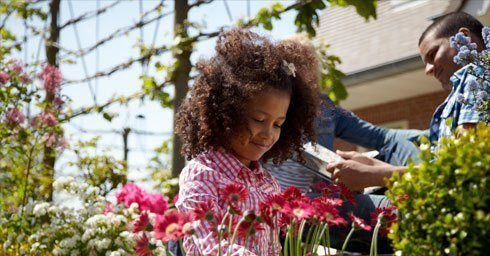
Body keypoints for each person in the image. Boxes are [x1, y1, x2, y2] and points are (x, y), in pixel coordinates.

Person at [174, 28, 321, 255]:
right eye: (259, 119)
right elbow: (210, 245)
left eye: (278, 124)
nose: (267, 133)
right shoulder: (202, 174)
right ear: (226, 112)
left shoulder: (268, 183)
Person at [328, 12, 487, 193]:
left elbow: (464, 170)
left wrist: (377, 174)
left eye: (433, 54)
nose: (428, 70)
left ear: (464, 37)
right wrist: (373, 165)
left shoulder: (478, 76)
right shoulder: (468, 85)